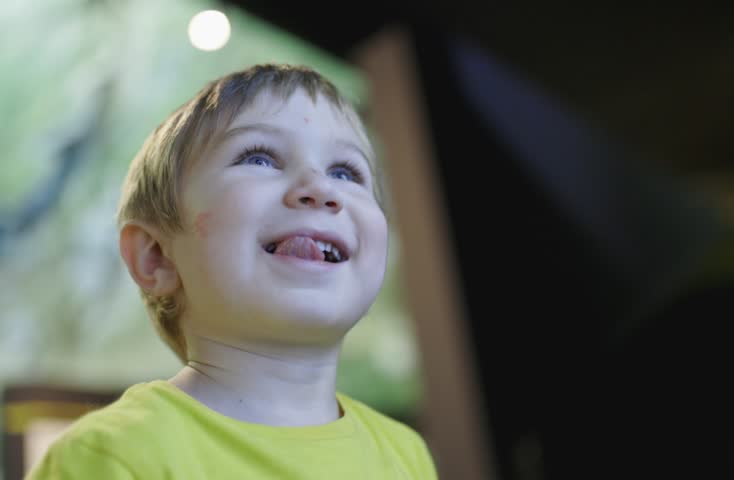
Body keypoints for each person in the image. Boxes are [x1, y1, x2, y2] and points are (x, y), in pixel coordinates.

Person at [27, 64, 438, 479]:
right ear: (156, 256)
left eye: (345, 172)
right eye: (259, 158)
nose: (321, 188)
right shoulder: (113, 456)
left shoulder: (406, 455)